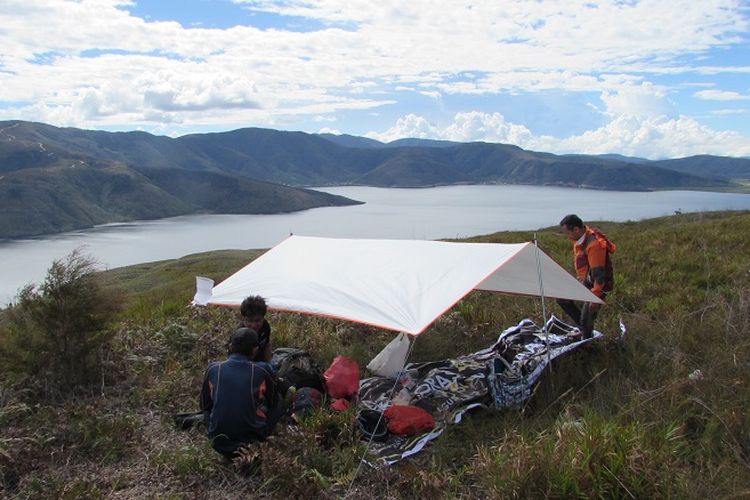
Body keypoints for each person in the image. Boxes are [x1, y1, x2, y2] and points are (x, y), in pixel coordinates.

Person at [200, 327, 284, 458]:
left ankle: (217, 429)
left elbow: (205, 405)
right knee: (279, 399)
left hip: (218, 442)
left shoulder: (213, 368)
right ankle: (260, 432)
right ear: (255, 349)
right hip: (252, 440)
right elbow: (273, 400)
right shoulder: (262, 369)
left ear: (230, 347)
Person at [557, 214, 616, 338]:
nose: (568, 237)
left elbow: (599, 275)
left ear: (576, 229)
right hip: (587, 281)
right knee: (562, 298)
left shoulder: (594, 245)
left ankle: (588, 341)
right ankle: (583, 329)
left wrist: (594, 298)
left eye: (568, 233)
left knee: (587, 317)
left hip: (598, 286)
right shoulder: (581, 238)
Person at [240, 295, 272, 362]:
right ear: (243, 319)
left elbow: (267, 345)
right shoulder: (240, 335)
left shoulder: (265, 326)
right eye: (250, 321)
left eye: (257, 321)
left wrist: (269, 366)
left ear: (263, 318)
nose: (253, 325)